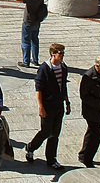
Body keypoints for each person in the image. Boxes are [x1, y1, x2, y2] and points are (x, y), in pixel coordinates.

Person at [25, 43, 71, 171]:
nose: (62, 56)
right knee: (45, 131)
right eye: (60, 53)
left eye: (63, 53)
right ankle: (30, 148)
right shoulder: (45, 68)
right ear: (53, 53)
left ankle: (51, 159)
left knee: (55, 134)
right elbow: (38, 88)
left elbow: (63, 86)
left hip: (59, 105)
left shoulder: (63, 67)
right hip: (48, 106)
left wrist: (67, 102)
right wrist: (40, 106)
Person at [15, 0, 45, 68]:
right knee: (35, 41)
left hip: (28, 22)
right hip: (36, 22)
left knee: (26, 42)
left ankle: (26, 61)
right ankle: (35, 60)